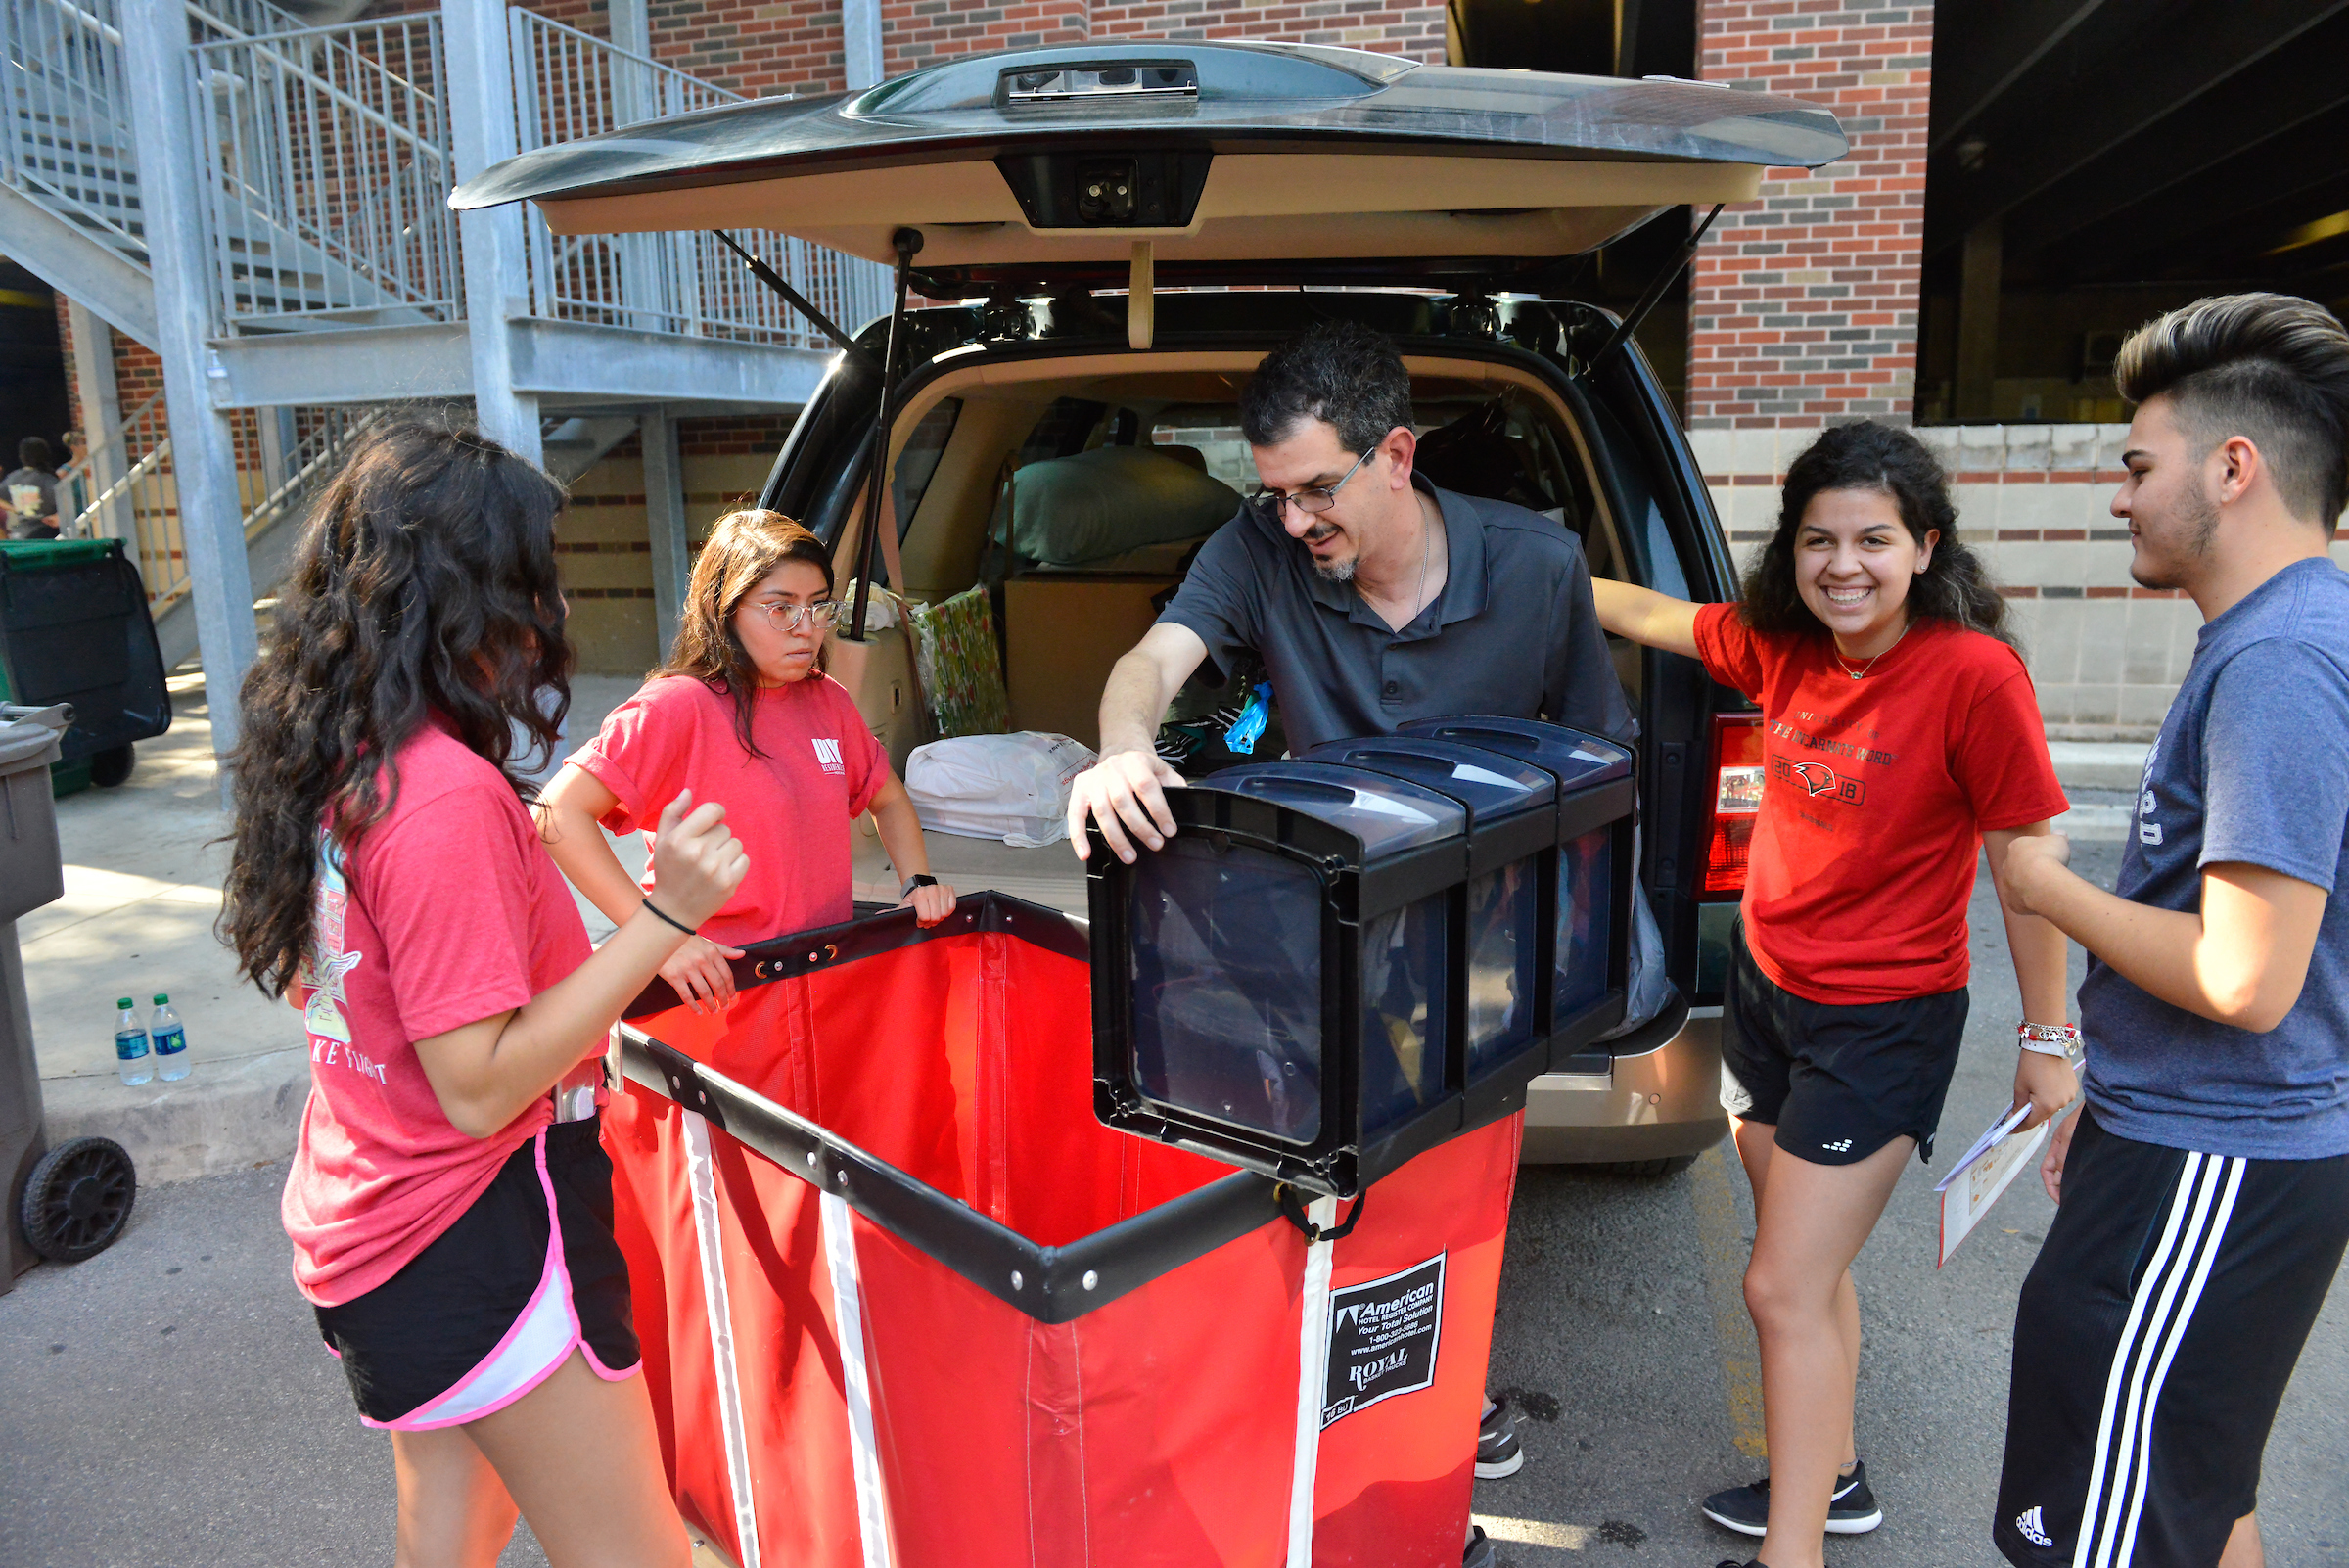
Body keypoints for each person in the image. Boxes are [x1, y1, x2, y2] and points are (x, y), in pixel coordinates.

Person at [1062, 319, 1633, 1559]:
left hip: (1484, 951)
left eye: (1320, 489)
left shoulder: (1535, 565)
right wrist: (1120, 751)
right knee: (1316, 1177)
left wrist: (1576, 948)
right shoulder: (1258, 553)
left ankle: (1446, 1392)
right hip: (1320, 942)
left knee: (1461, 1184)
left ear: (1397, 455)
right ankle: (1328, 1408)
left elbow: (1596, 758)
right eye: (1276, 495)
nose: (1296, 521)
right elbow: (1151, 663)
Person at [219, 418, 745, 1567]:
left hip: (376, 1221)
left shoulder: (344, 747)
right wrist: (662, 917)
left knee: (455, 1526)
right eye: (530, 580)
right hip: (474, 1228)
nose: (547, 611)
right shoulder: (445, 798)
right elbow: (478, 1083)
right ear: (470, 594)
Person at [1589, 420, 2077, 1568]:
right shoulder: (1785, 647)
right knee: (1803, 1275)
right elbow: (1657, 617)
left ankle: (1792, 1552)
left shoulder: (1972, 675)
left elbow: (2029, 869)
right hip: (1769, 995)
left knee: (1778, 1285)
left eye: (1872, 540)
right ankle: (1835, 1475)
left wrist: (2049, 1037)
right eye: (1818, 541)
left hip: (1885, 1023)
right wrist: (1520, 557)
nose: (1842, 566)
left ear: (1925, 546)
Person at [1991, 294, 2349, 1568]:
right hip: (2210, 1146)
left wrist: (2048, 884)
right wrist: (2120, 1076)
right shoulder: (2287, 638)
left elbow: (2248, 976)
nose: (2120, 497)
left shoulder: (2279, 663)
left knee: (2106, 1538)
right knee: (2196, 1511)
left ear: (2233, 466)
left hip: (2210, 1166)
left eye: (2138, 465)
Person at [536, 508, 954, 1016]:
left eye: (819, 607)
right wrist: (659, 937)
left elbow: (886, 796)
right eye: (781, 608)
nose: (807, 629)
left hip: (822, 987)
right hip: (716, 997)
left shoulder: (829, 702)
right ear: (724, 609)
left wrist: (918, 883)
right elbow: (555, 814)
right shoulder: (675, 707)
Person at [4, 436, 60, 539]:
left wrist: (13, 509)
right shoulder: (48, 479)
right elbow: (64, 504)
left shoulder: (13, 478)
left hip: (18, 533)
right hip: (45, 533)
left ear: (22, 456)